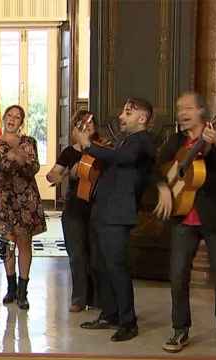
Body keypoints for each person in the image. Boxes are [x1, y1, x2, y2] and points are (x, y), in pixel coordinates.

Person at [154, 92, 216, 353]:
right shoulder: (175, 141)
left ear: (202, 112)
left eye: (187, 108)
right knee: (178, 275)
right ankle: (179, 330)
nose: (181, 112)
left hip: (215, 217)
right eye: (179, 108)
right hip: (184, 217)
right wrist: (163, 187)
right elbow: (160, 167)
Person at [78, 98, 156, 342]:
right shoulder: (126, 141)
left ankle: (128, 321)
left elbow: (122, 158)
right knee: (101, 265)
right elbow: (113, 158)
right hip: (104, 210)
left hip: (118, 213)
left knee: (116, 268)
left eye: (128, 113)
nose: (122, 116)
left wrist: (88, 145)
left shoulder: (142, 141)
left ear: (142, 119)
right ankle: (110, 313)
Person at [0, 105, 46, 310]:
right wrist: (9, 158)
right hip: (4, 199)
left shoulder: (28, 142)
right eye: (9, 116)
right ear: (4, 118)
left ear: (21, 122)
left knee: (24, 243)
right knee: (7, 244)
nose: (12, 119)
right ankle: (11, 287)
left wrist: (22, 160)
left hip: (25, 200)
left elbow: (34, 167)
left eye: (17, 117)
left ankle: (23, 291)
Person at [46, 110, 100, 312]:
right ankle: (78, 298)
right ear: (76, 128)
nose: (87, 126)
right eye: (82, 123)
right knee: (77, 254)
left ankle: (96, 299)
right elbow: (52, 175)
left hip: (97, 207)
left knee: (96, 254)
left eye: (91, 123)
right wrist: (65, 173)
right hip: (75, 208)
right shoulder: (69, 152)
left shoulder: (101, 149)